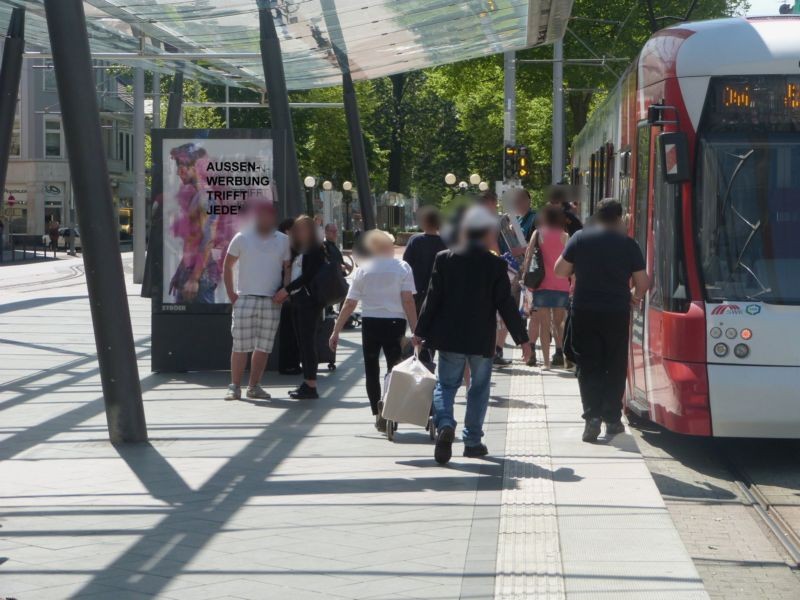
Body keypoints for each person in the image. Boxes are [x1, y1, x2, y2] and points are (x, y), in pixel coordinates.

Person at [414, 206, 533, 464]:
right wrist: (523, 339)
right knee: (478, 389)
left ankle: (445, 424)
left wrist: (420, 331)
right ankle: (473, 441)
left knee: (446, 385)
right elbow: (505, 304)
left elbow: (432, 299)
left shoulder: (444, 258)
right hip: (481, 338)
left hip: (449, 336)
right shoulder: (496, 264)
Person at [554, 198, 649, 443]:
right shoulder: (629, 244)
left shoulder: (580, 238)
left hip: (584, 310)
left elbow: (560, 270)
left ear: (596, 216)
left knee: (588, 365)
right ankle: (613, 419)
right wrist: (634, 297)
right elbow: (643, 282)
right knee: (614, 364)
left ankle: (592, 419)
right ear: (619, 218)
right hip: (617, 311)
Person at [329, 229, 417, 431]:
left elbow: (350, 303)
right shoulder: (402, 267)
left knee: (371, 369)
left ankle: (377, 413)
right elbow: (408, 300)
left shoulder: (363, 269)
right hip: (395, 322)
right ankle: (389, 405)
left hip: (370, 323)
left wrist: (336, 330)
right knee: (393, 368)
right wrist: (416, 329)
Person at [223, 201, 291, 401]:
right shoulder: (242, 237)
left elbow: (287, 267)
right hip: (245, 297)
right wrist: (232, 295)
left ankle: (254, 386)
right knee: (240, 345)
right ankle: (234, 386)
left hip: (272, 300)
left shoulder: (284, 240)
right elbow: (227, 265)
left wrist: (284, 290)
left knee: (264, 346)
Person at [274, 215, 327, 400]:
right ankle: (307, 382)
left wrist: (286, 290)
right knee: (302, 342)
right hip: (298, 300)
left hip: (309, 301)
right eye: (297, 228)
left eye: (303, 228)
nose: (299, 231)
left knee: (307, 342)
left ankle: (311, 384)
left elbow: (308, 276)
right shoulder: (298, 249)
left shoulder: (315, 250)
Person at [523, 204, 570, 368]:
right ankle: (565, 357)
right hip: (562, 284)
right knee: (559, 323)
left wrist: (524, 279)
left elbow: (528, 257)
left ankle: (547, 363)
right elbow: (570, 261)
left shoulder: (538, 233)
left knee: (544, 325)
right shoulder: (565, 236)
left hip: (541, 285)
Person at [403, 206, 447, 314]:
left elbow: (406, 263)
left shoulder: (415, 240)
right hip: (439, 288)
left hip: (417, 287)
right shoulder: (446, 242)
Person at [276, 218, 302, 375]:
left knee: (289, 330)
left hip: (285, 291)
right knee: (289, 330)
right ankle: (289, 364)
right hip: (287, 293)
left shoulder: (282, 246)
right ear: (287, 231)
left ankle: (289, 363)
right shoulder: (288, 247)